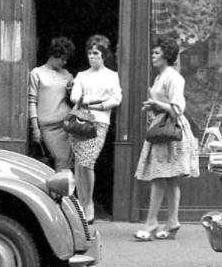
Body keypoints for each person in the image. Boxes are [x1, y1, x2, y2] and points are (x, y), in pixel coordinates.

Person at [133, 35, 199, 241]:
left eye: (157, 53)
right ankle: (172, 222)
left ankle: (152, 222)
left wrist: (155, 104)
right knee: (168, 178)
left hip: (170, 132)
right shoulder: (162, 76)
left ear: (166, 56)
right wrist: (154, 105)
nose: (153, 56)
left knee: (160, 176)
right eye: (153, 52)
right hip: (163, 129)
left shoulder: (173, 77)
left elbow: (178, 107)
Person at [69, 35, 122, 223]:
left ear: (104, 55)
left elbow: (116, 99)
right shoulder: (82, 75)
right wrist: (99, 100)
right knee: (79, 162)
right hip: (80, 122)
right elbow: (75, 97)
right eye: (90, 53)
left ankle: (88, 202)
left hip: (99, 122)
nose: (92, 57)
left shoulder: (112, 76)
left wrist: (93, 103)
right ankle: (81, 203)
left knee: (87, 162)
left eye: (96, 53)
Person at [28, 36, 76, 171]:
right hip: (48, 126)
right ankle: (60, 191)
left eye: (67, 58)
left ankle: (65, 191)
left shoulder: (67, 74)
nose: (65, 62)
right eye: (63, 58)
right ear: (54, 54)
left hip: (67, 124)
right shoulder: (37, 73)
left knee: (69, 161)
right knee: (61, 158)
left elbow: (74, 98)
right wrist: (35, 128)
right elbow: (32, 101)